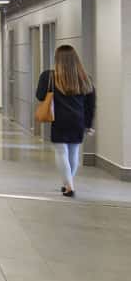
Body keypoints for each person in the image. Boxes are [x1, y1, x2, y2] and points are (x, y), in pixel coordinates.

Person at [36, 44, 96, 197]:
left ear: (57, 59)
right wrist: (89, 124)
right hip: (78, 120)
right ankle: (68, 183)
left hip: (59, 120)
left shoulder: (49, 76)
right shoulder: (85, 79)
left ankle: (69, 186)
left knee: (61, 152)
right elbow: (90, 104)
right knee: (74, 152)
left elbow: (40, 96)